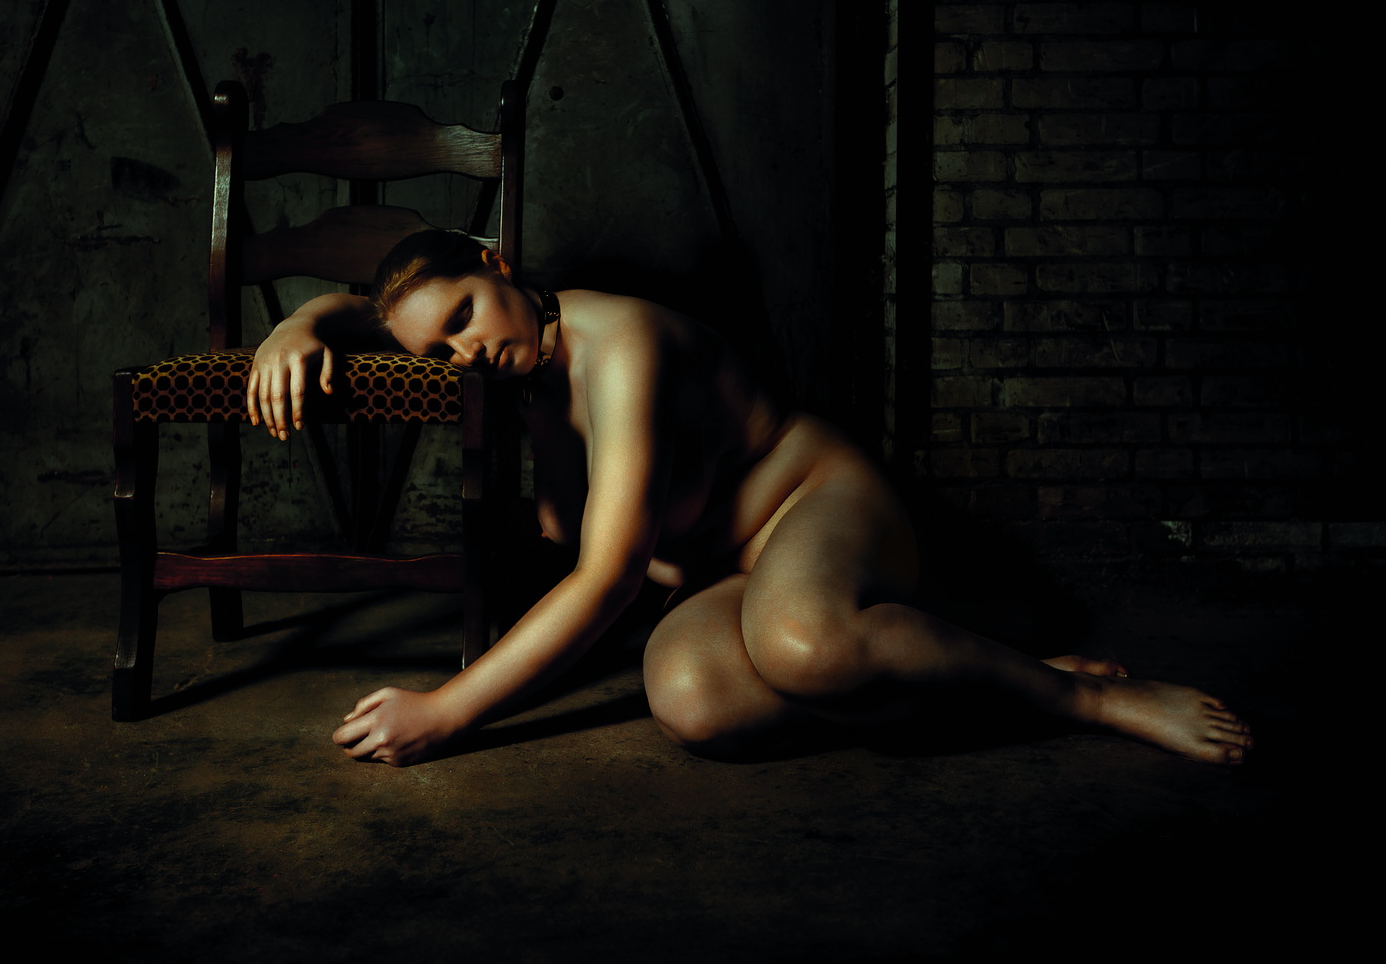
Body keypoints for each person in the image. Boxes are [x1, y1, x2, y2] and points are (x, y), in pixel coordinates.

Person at [246, 230, 1253, 768]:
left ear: (498, 263)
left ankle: (1087, 697)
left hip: (816, 501)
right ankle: (986, 674)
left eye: (466, 314)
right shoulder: (511, 365)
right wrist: (303, 322)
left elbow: (606, 581)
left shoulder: (622, 346)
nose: (466, 351)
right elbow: (380, 314)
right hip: (737, 574)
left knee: (800, 646)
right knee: (693, 707)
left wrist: (448, 711)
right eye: (442, 349)